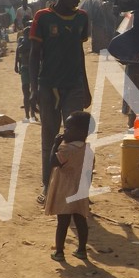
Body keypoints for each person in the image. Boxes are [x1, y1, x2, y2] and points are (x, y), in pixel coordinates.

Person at [29, 0, 91, 204]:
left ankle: (77, 187)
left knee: (76, 138)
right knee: (49, 137)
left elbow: (80, 52)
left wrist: (85, 86)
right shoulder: (42, 18)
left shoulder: (81, 18)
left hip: (74, 85)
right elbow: (35, 55)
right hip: (48, 86)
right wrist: (33, 89)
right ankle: (48, 185)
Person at [45, 111, 93, 261]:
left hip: (65, 190)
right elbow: (90, 172)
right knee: (81, 220)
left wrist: (55, 145)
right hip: (81, 191)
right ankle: (82, 250)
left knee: (63, 222)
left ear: (80, 132)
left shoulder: (66, 149)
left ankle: (59, 252)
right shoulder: (88, 150)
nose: (65, 131)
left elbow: (53, 163)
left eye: (68, 128)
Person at [14, 25, 36, 122]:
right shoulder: (23, 42)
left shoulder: (34, 42)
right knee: (27, 92)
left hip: (30, 69)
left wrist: (16, 65)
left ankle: (31, 114)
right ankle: (29, 114)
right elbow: (18, 53)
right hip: (26, 68)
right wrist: (16, 65)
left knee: (31, 92)